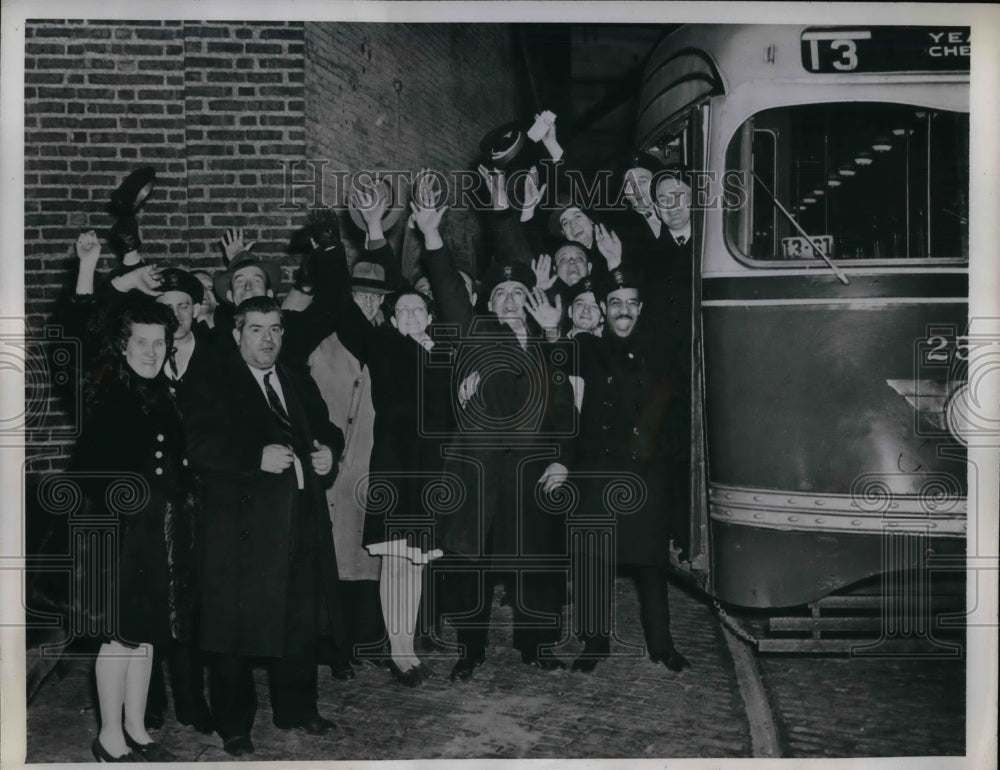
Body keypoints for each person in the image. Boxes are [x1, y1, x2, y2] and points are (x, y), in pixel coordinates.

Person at [416, 176, 576, 681]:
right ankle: (471, 649)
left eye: (517, 293)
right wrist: (432, 238)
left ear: (530, 298)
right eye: (500, 293)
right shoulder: (475, 334)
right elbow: (448, 290)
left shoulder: (549, 341)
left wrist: (562, 459)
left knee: (535, 562)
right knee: (474, 566)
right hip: (480, 474)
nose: (508, 300)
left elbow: (565, 408)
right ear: (487, 304)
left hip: (532, 475)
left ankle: (536, 645)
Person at [184, 296, 345, 757]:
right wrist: (253, 458)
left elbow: (327, 427)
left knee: (299, 622)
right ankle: (235, 725)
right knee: (233, 630)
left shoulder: (294, 377)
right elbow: (195, 445)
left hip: (300, 517)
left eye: (275, 329)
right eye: (256, 329)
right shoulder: (212, 379)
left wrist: (329, 452)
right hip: (242, 526)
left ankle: (297, 708)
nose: (267, 339)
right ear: (237, 334)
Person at [71, 289, 196, 763]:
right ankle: (109, 737)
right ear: (123, 346)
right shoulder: (105, 389)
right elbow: (82, 331)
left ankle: (137, 729)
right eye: (141, 342)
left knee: (146, 637)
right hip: (119, 538)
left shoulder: (165, 394)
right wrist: (91, 274)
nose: (151, 351)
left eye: (159, 342)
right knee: (119, 638)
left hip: (158, 535)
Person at [565, 268, 691, 675]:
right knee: (593, 561)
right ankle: (594, 642)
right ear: (603, 309)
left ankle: (662, 645)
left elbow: (676, 414)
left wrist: (660, 455)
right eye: (615, 303)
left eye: (631, 303)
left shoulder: (660, 353)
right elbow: (549, 371)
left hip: (644, 474)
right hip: (596, 472)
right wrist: (550, 329)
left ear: (641, 308)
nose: (624, 310)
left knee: (651, 564)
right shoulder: (585, 347)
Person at [302, 258, 393, 682]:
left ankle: (365, 640)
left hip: (369, 466)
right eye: (360, 296)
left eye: (376, 297)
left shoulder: (389, 342)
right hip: (330, 462)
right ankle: (332, 646)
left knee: (367, 557)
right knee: (330, 557)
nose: (368, 304)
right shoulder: (322, 344)